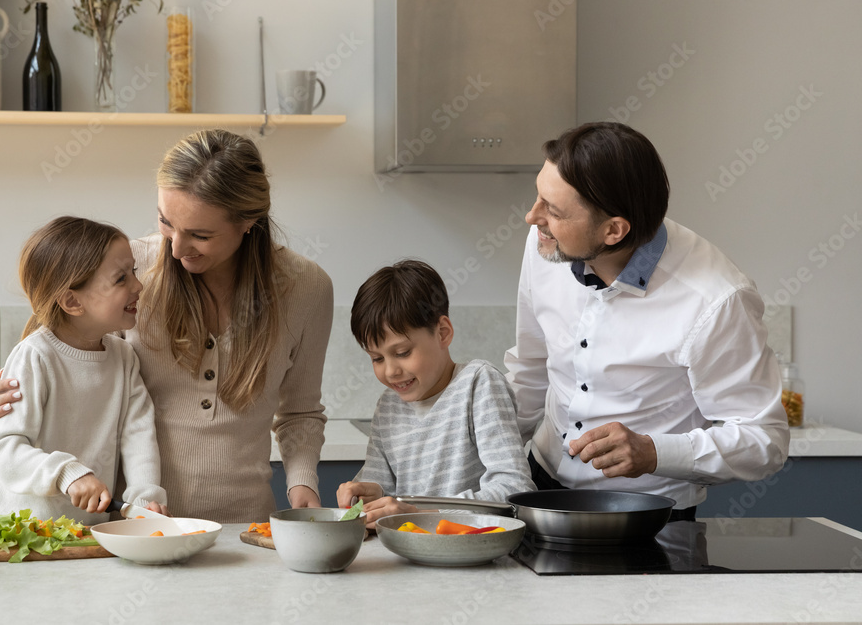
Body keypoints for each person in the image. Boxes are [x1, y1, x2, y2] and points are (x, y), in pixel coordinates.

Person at [0, 129, 333, 523]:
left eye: (200, 234)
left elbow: (300, 410)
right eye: (166, 222)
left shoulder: (307, 288)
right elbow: (67, 361)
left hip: (244, 525)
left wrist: (303, 484)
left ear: (248, 221)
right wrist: (5, 404)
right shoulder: (126, 270)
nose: (176, 250)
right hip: (136, 530)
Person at [503, 121, 790, 519]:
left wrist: (653, 452)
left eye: (552, 210)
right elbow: (531, 369)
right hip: (540, 485)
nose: (532, 217)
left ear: (613, 230)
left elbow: (765, 441)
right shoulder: (547, 245)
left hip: (648, 515)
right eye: (539, 198)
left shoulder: (716, 299)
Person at [0, 216, 166, 525]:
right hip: (15, 532)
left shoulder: (123, 357)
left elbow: (138, 433)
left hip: (81, 532)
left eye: (133, 272)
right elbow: (5, 452)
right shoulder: (34, 356)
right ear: (71, 301)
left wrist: (145, 498)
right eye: (121, 279)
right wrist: (67, 473)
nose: (138, 285)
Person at [337, 260, 535, 525]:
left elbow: (514, 490)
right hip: (409, 554)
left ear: (442, 333)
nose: (391, 371)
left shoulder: (479, 384)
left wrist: (422, 517)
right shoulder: (388, 407)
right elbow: (386, 498)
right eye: (376, 358)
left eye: (402, 353)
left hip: (473, 554)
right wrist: (362, 503)